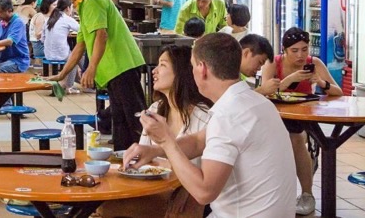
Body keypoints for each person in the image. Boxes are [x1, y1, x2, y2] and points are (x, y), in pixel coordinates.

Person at [124, 33, 297, 217]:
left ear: (202, 69)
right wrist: (156, 151)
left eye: (192, 66)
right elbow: (199, 141)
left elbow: (204, 192)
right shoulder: (254, 102)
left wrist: (167, 141)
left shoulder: (229, 115)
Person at [99, 45, 211, 218]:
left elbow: (209, 171)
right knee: (106, 206)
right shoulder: (155, 109)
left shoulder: (203, 116)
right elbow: (145, 160)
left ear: (182, 72)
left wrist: (184, 191)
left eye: (163, 65)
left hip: (192, 194)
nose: (154, 71)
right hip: (155, 188)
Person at [50, 0, 147, 150]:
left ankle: (148, 157)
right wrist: (62, 74)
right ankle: (124, 160)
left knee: (135, 118)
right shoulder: (84, 3)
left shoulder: (93, 0)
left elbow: (101, 35)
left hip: (122, 65)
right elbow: (81, 44)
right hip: (114, 69)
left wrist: (91, 67)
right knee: (119, 120)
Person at [261, 27, 343, 215]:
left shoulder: (314, 63)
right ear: (285, 49)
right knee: (287, 139)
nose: (300, 55)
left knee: (296, 138)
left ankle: (307, 194)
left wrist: (321, 83)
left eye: (304, 49)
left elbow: (338, 92)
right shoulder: (274, 63)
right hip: (275, 115)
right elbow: (265, 92)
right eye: (294, 50)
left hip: (304, 117)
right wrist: (290, 79)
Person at [41, 0, 80, 93]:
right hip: (61, 54)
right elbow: (81, 29)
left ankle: (74, 81)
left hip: (47, 53)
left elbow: (42, 38)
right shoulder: (66, 19)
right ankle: (69, 86)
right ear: (67, 8)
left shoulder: (50, 19)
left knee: (74, 55)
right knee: (75, 60)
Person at [30, 0, 57, 71]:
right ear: (48, 5)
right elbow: (38, 35)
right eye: (54, 5)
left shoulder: (50, 17)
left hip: (44, 45)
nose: (56, 7)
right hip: (40, 46)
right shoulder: (40, 16)